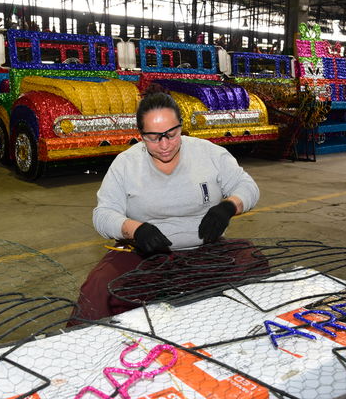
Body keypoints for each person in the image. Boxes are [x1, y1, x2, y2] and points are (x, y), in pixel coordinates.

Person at [71, 91, 260, 323]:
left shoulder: (209, 153)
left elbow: (247, 186)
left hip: (203, 252)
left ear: (181, 126)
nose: (164, 145)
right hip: (144, 256)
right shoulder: (126, 164)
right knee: (99, 290)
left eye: (172, 134)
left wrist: (229, 206)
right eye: (153, 137)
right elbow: (103, 214)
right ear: (140, 135)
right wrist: (135, 229)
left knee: (252, 263)